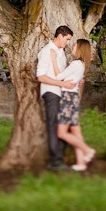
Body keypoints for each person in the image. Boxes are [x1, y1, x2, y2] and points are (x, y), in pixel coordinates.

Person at [36, 25, 76, 172]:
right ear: (60, 36)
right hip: (51, 93)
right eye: (67, 39)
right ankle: (55, 162)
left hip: (60, 92)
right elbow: (41, 76)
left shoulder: (61, 52)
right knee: (54, 127)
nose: (67, 43)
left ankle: (59, 158)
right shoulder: (47, 52)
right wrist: (62, 83)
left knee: (65, 127)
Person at [56, 38, 97, 171]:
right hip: (73, 98)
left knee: (62, 133)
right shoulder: (82, 65)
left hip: (67, 98)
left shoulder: (75, 63)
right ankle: (81, 163)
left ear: (80, 49)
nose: (72, 47)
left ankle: (88, 150)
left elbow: (58, 77)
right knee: (75, 132)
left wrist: (52, 59)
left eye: (74, 45)